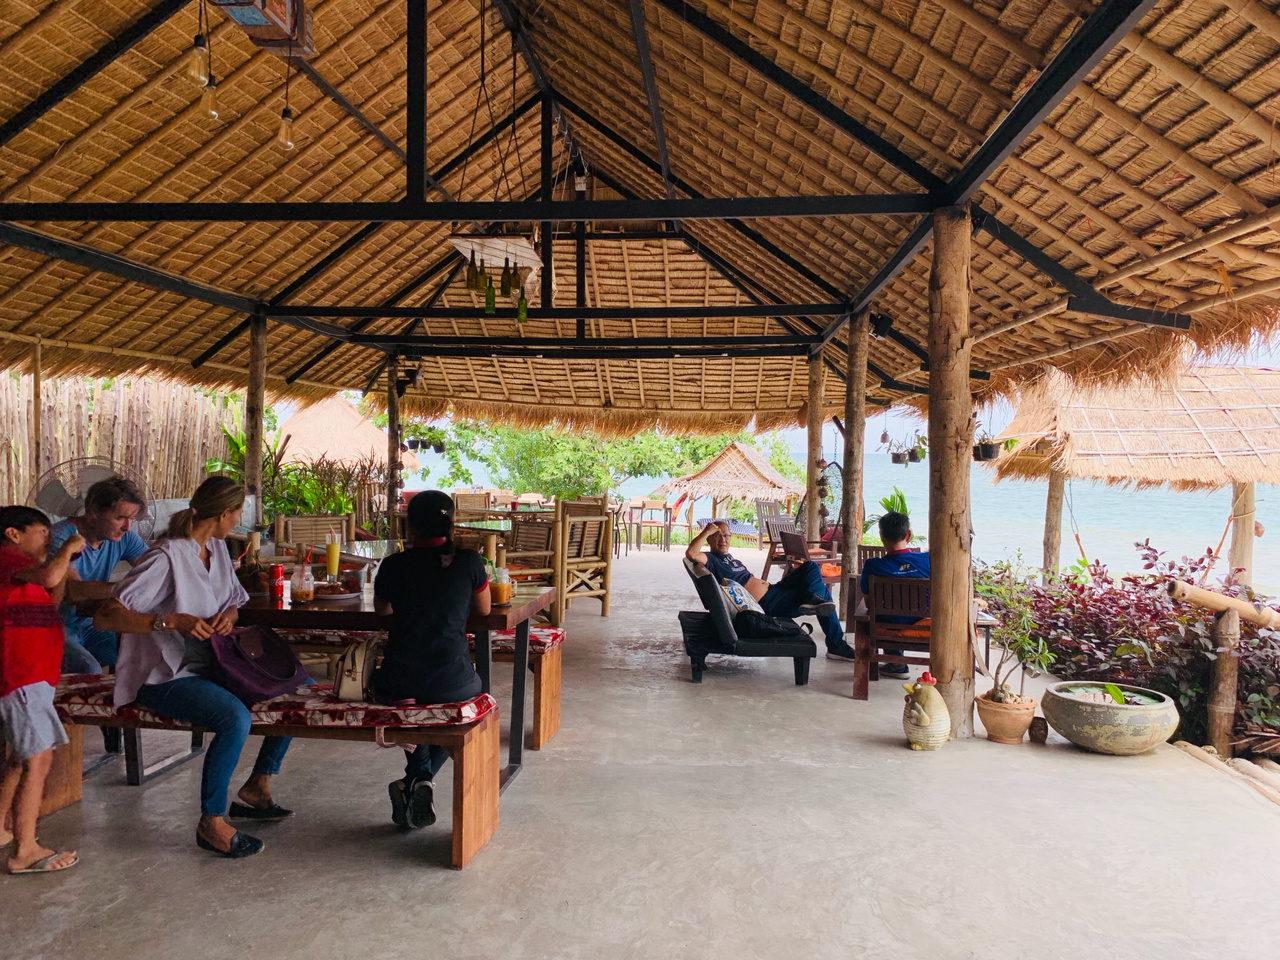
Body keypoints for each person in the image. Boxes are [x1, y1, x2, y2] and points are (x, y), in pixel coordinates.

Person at [92, 476, 292, 859]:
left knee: (287, 690)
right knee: (234, 718)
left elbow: (234, 600)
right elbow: (106, 616)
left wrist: (229, 616)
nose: (237, 522)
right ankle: (211, 823)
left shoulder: (215, 548)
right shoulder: (166, 557)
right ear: (222, 514)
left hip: (212, 666)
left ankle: (257, 787)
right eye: (235, 514)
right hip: (163, 675)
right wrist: (170, 621)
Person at [373, 490, 489, 831]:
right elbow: (483, 609)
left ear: (410, 526)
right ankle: (418, 778)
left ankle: (417, 778)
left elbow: (383, 611)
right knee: (463, 693)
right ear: (451, 523)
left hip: (397, 681)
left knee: (416, 701)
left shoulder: (393, 564)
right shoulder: (469, 561)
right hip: (452, 682)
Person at [0, 506, 84, 874]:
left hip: (33, 677)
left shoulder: (22, 575)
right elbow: (51, 576)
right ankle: (26, 849)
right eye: (43, 534)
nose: (48, 542)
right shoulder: (5, 559)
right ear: (13, 534)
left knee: (21, 758)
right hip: (19, 675)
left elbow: (51, 596)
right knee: (38, 758)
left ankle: (2, 829)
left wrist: (62, 566)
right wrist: (66, 550)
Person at [686, 520, 857, 661]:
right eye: (717, 536)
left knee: (810, 566)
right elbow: (691, 553)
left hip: (774, 590)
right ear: (709, 540)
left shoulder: (730, 558)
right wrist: (706, 532)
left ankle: (813, 599)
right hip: (767, 604)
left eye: (726, 535)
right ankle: (835, 644)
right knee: (824, 595)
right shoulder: (710, 559)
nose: (723, 539)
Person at [49, 476, 148, 673]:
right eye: (120, 518)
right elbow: (74, 592)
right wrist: (126, 588)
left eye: (131, 519)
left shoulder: (125, 537)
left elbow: (153, 569)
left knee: (136, 662)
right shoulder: (61, 538)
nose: (127, 527)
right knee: (91, 670)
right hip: (58, 626)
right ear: (94, 513)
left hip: (91, 622)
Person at [859, 510, 931, 678]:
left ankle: (896, 663)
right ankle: (897, 664)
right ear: (909, 535)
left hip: (889, 625)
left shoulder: (872, 565)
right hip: (922, 622)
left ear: (881, 536)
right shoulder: (927, 559)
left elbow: (869, 602)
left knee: (883, 612)